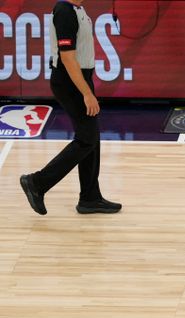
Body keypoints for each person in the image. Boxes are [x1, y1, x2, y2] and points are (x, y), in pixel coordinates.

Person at [19, 0, 121, 216]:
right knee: (86, 138)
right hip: (69, 81)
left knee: (91, 136)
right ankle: (37, 182)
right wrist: (86, 93)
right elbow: (67, 57)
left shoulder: (77, 9)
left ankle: (90, 198)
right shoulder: (64, 11)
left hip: (79, 78)